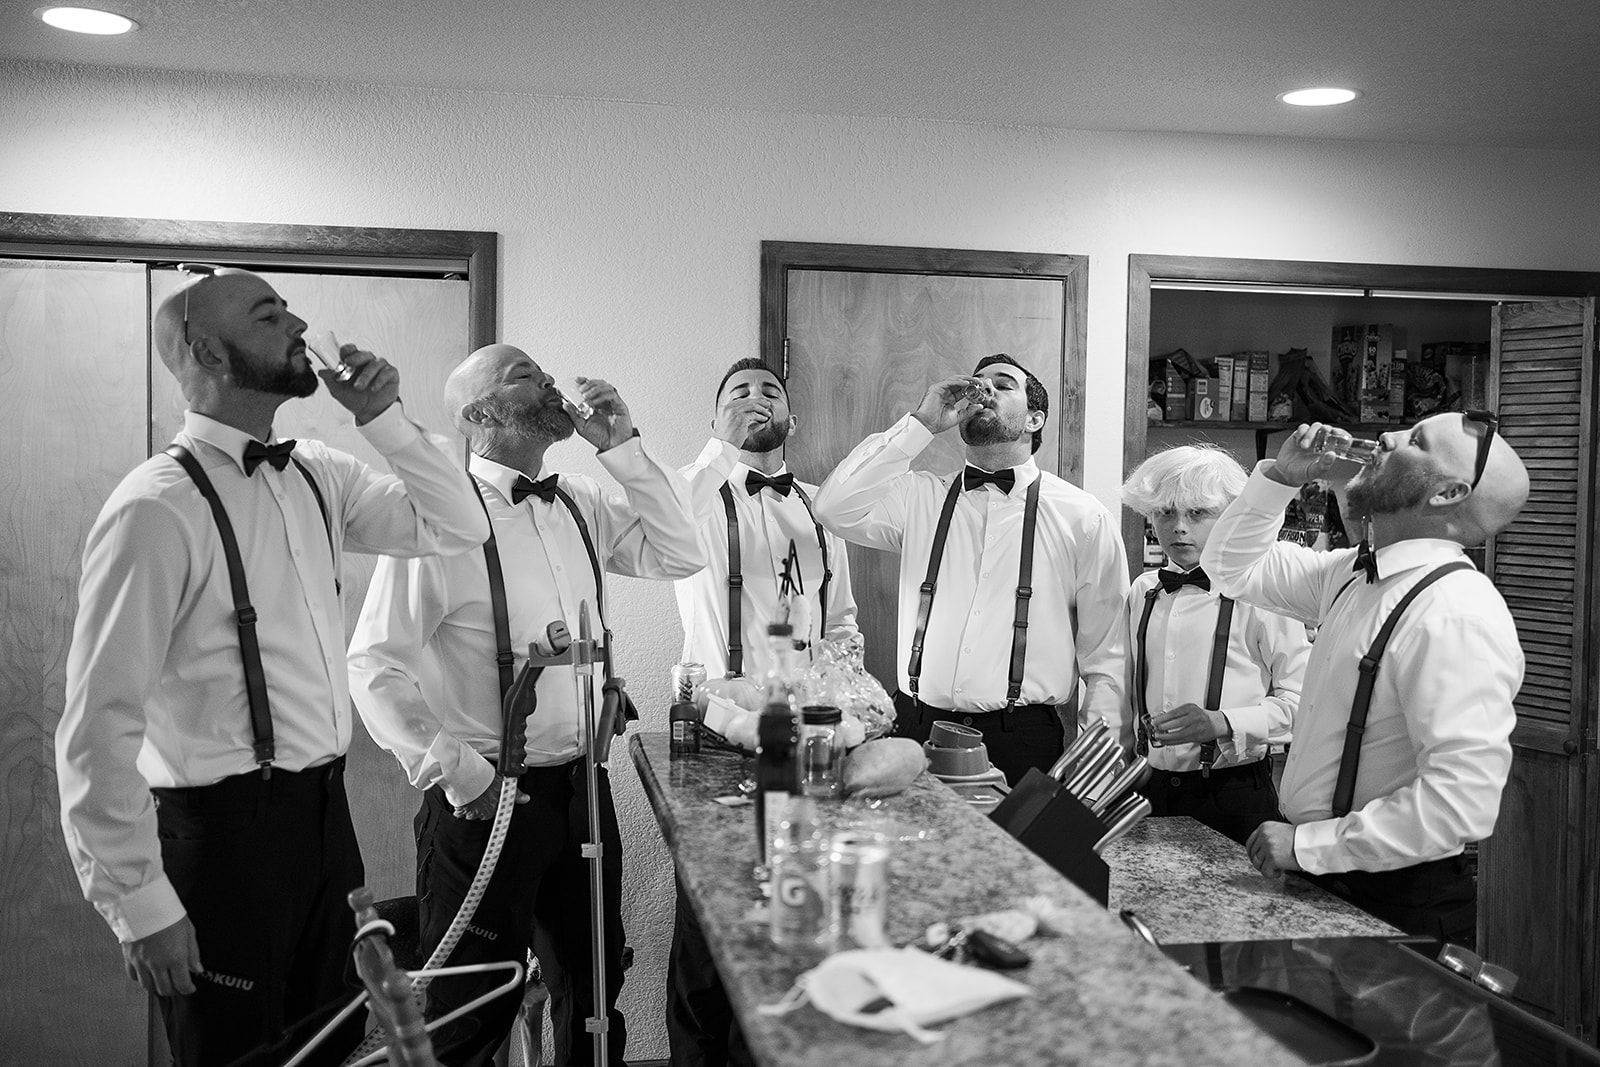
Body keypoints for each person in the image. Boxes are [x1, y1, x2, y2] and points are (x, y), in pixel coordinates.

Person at [55, 268, 490, 1067]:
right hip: (218, 843)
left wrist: (384, 420)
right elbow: (95, 729)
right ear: (209, 350)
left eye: (288, 307)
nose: (297, 324)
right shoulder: (154, 508)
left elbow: (457, 525)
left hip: (325, 824)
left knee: (325, 1043)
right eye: (269, 313)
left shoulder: (319, 473)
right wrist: (141, 905)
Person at [348, 343, 702, 1066]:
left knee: (594, 996)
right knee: (471, 1010)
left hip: (582, 790)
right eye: (522, 375)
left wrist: (625, 451)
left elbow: (681, 553)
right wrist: (455, 771)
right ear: (480, 415)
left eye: (541, 371)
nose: (547, 380)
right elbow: (374, 665)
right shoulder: (437, 522)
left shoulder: (579, 501)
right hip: (484, 802)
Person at [1204, 413, 1528, 944]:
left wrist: (1311, 847)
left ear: (1448, 492)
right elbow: (1232, 568)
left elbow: (1458, 805)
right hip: (1325, 880)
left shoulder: (1454, 613)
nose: (1385, 436)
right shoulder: (1354, 574)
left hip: (1396, 902)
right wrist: (1281, 479)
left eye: (1416, 442)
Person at [666, 357, 859, 1066]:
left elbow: (842, 625)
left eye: (771, 390)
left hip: (809, 744)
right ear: (713, 421)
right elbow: (652, 499)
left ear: (792, 417)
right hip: (719, 738)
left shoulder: (821, 508)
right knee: (708, 932)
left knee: (793, 924)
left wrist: (847, 703)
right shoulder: (688, 494)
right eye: (737, 392)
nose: (756, 399)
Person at [813, 353, 1128, 784]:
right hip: (917, 729)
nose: (985, 390)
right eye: (979, 382)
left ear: (1035, 420)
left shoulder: (1084, 518)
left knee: (1016, 853)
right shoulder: (919, 497)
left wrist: (1099, 770)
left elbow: (1107, 655)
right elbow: (833, 508)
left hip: (1023, 739)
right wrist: (921, 424)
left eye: (1004, 384)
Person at [1120, 445, 1309, 845]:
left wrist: (1222, 723)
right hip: (1147, 788)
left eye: (1197, 513)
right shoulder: (1143, 590)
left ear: (1228, 515)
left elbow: (1304, 702)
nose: (1179, 528)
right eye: (1166, 512)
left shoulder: (1263, 591)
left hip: (1233, 793)